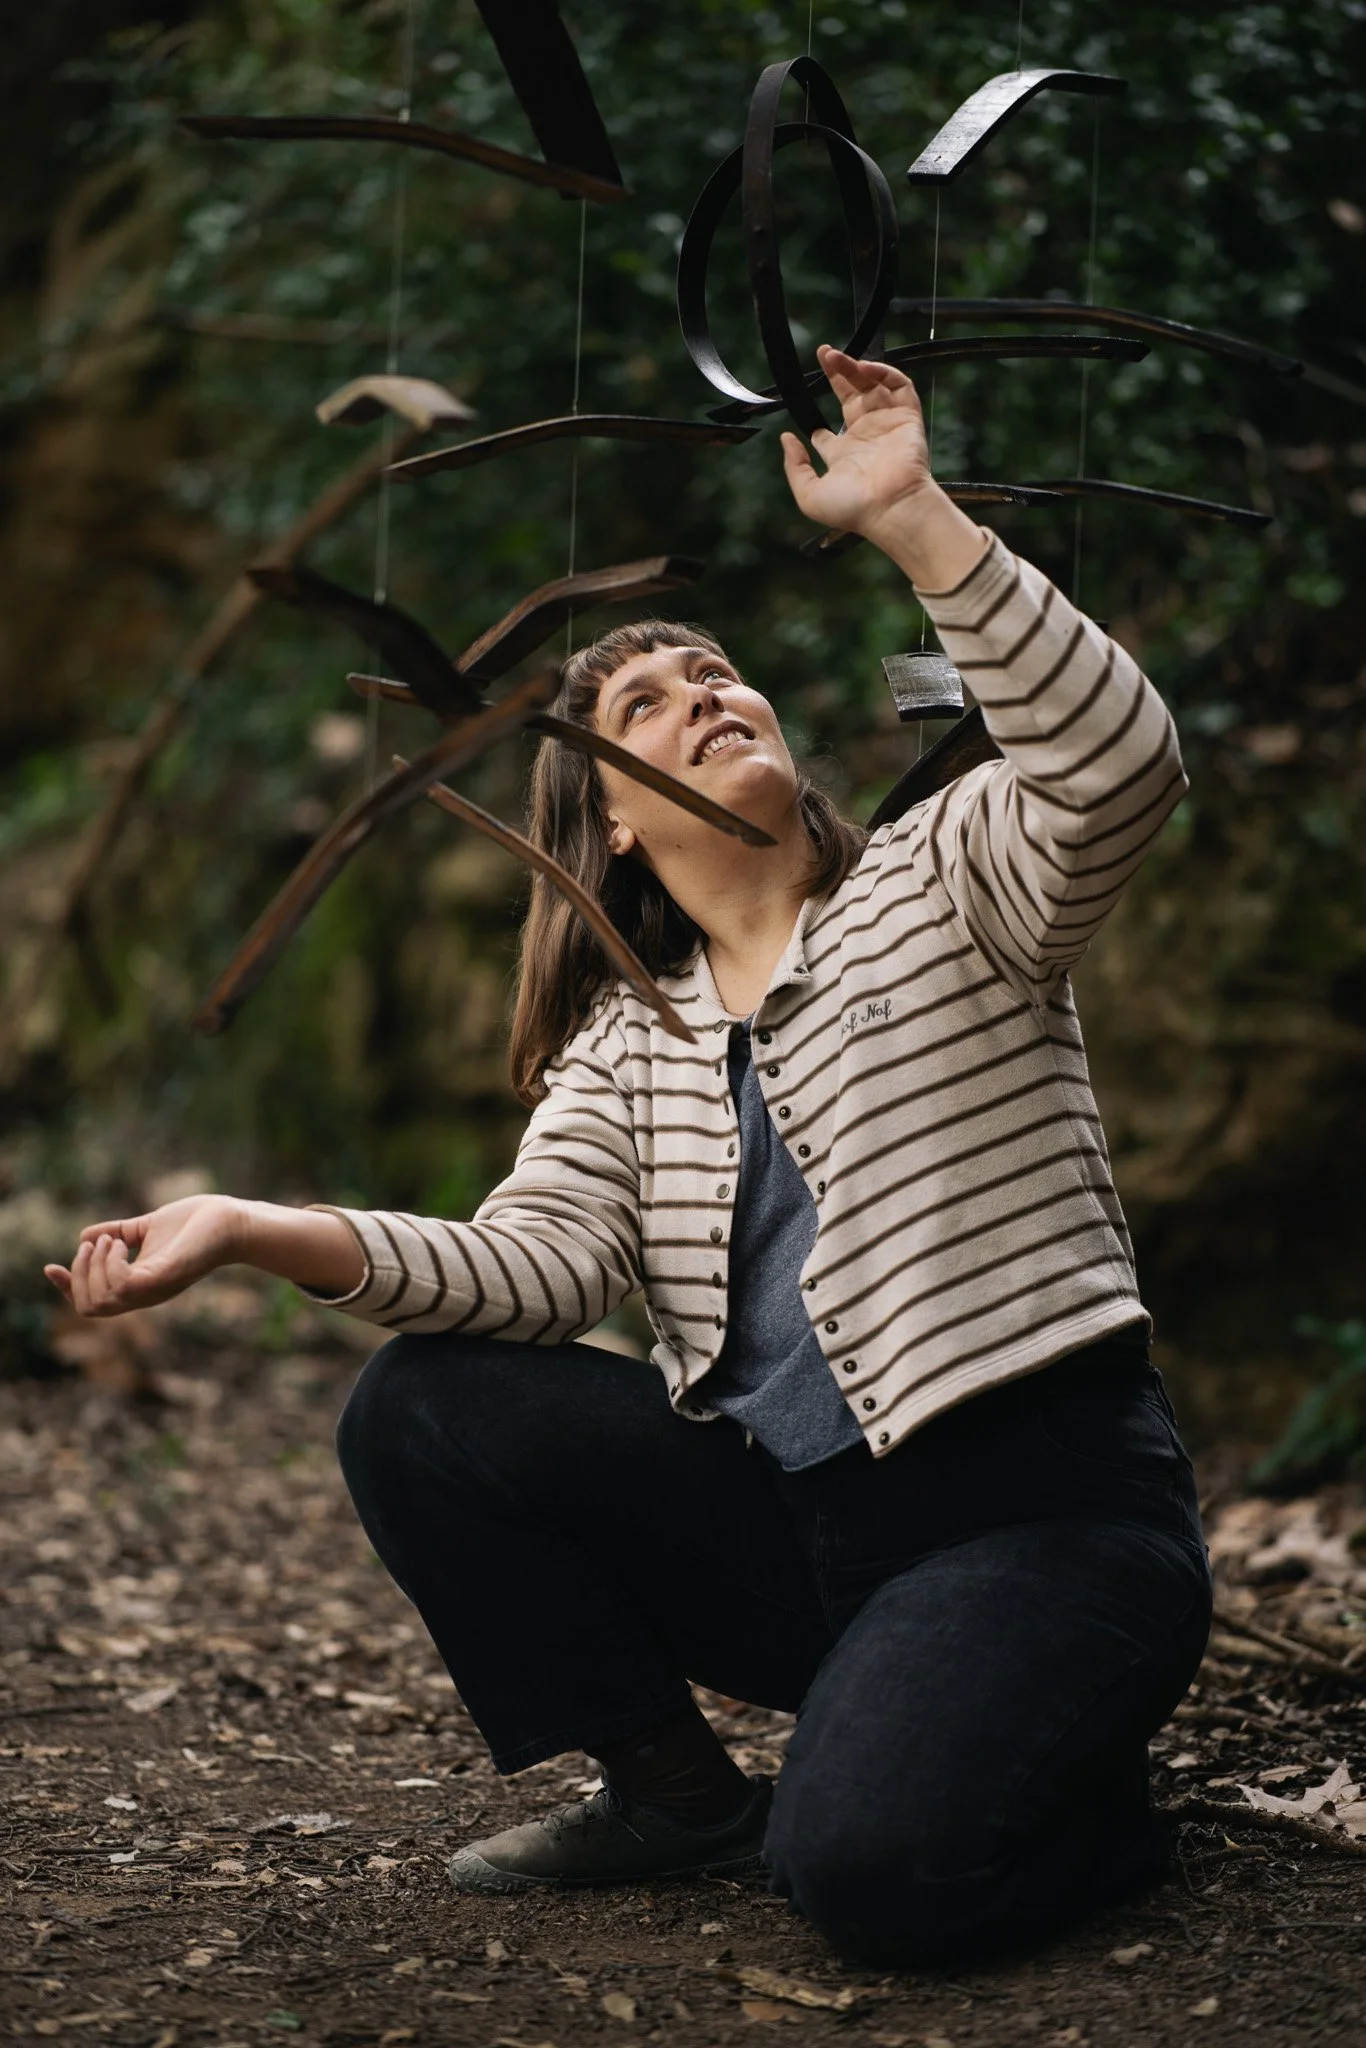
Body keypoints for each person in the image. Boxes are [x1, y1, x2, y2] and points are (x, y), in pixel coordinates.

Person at [46, 347, 1211, 1966]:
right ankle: (671, 1790)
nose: (707, 698)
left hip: (1041, 1515)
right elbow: (532, 1272)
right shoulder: (627, 1044)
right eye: (645, 705)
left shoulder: (956, 879)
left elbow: (1119, 763)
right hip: (804, 1543)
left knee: (870, 1880)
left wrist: (910, 516)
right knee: (426, 1404)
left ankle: (1076, 1791)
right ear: (608, 818)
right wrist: (246, 1225)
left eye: (718, 677)